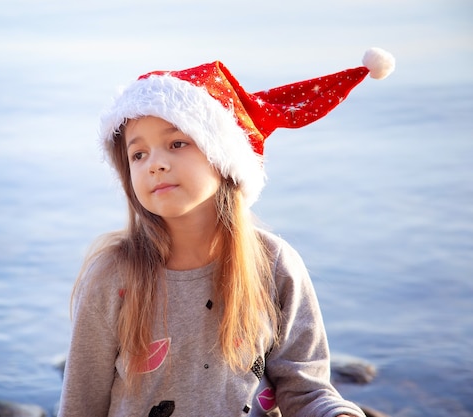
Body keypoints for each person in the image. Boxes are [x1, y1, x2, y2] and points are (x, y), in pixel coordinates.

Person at [57, 48, 395, 417]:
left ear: (224, 159)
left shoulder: (274, 265)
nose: (156, 163)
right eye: (138, 154)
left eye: (177, 143)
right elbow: (80, 404)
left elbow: (305, 390)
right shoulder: (112, 276)